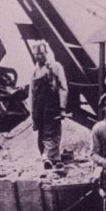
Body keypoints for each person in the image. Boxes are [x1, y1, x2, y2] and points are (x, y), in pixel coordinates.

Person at [29, 40, 68, 168]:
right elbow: (32, 94)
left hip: (52, 107)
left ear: (46, 52)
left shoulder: (55, 67)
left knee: (52, 133)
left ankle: (49, 158)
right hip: (39, 109)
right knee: (41, 136)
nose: (38, 56)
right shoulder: (34, 72)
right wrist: (33, 114)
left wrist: (62, 108)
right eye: (36, 54)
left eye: (41, 53)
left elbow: (63, 87)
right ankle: (51, 159)